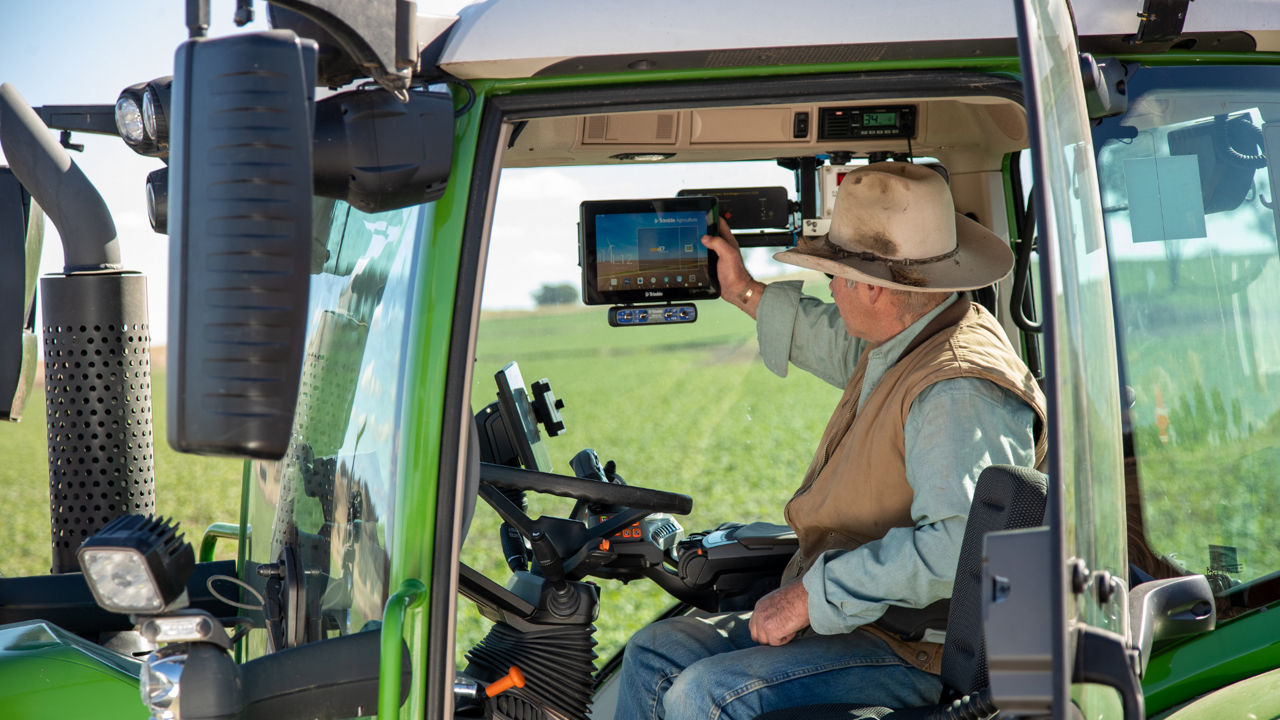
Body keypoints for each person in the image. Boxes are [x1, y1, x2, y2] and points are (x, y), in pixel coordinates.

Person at [615, 161, 1047, 720]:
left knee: (706, 693)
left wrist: (809, 597)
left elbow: (957, 548)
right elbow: (832, 341)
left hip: (914, 649)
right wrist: (743, 290)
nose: (831, 286)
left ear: (874, 288)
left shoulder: (957, 389)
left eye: (835, 275)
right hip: (868, 618)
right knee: (656, 651)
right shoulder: (910, 334)